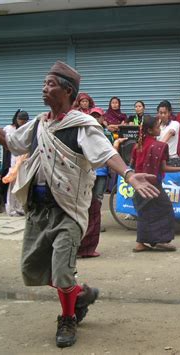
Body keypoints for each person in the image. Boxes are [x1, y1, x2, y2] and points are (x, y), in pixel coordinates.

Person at [0, 61, 159, 348]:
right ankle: (80, 294)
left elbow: (106, 153)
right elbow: (10, 142)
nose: (44, 88)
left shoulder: (82, 126)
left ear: (68, 90)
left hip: (68, 210)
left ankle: (68, 318)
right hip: (39, 208)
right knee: (33, 269)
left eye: (50, 84)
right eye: (45, 83)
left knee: (61, 270)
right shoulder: (38, 124)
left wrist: (129, 175)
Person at [130, 115, 180, 252]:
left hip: (138, 184)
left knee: (144, 212)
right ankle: (161, 240)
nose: (160, 129)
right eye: (158, 127)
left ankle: (141, 243)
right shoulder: (160, 146)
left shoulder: (137, 146)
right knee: (166, 210)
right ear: (150, 131)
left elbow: (132, 165)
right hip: (154, 185)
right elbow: (164, 168)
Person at [77, 107, 108, 258]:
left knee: (96, 204)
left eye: (98, 117)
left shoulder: (105, 134)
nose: (96, 119)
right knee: (88, 209)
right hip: (86, 176)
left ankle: (86, 247)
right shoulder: (84, 134)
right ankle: (84, 247)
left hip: (100, 174)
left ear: (103, 119)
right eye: (93, 116)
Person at [2, 110, 29, 216]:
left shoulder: (27, 129)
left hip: (23, 160)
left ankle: (20, 207)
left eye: (24, 120)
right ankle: (11, 208)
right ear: (16, 119)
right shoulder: (9, 129)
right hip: (13, 161)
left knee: (21, 185)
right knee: (12, 185)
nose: (22, 122)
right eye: (20, 119)